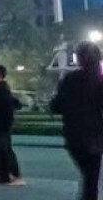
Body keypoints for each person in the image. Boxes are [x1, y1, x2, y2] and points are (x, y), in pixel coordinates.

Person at [52, 41, 103, 200]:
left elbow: (57, 106)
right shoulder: (99, 80)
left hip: (74, 135)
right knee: (91, 180)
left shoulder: (70, 79)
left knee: (88, 178)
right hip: (95, 135)